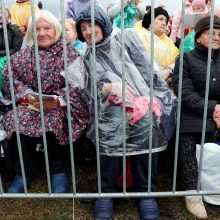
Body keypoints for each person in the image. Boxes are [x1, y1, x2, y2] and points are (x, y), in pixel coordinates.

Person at [76, 6, 176, 220]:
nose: (88, 32)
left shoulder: (124, 39)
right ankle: (107, 192)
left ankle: (146, 192)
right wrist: (106, 88)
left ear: (103, 23)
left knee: (147, 122)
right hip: (108, 108)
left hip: (140, 101)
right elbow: (87, 89)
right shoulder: (86, 55)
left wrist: (155, 96)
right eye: (83, 28)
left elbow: (146, 69)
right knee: (111, 124)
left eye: (92, 25)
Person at [2, 10, 88, 193]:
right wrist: (26, 96)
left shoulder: (69, 54)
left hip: (61, 106)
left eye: (47, 28)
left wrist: (58, 99)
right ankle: (25, 170)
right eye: (37, 29)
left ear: (55, 30)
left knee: (53, 118)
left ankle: (58, 170)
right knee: (17, 118)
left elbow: (78, 84)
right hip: (31, 104)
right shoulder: (25, 55)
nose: (42, 33)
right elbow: (10, 76)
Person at [173, 15, 220, 219]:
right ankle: (192, 192)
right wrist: (213, 108)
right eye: (212, 34)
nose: (217, 38)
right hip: (193, 111)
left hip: (219, 112)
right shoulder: (185, 58)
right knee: (188, 140)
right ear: (199, 36)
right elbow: (184, 92)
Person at [136, 7, 179, 85]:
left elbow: (176, 60)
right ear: (150, 21)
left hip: (163, 83)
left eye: (166, 21)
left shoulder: (168, 41)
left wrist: (169, 72)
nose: (164, 23)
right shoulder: (138, 35)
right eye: (160, 19)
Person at [0, 6, 23, 90]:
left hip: (11, 56)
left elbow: (17, 49)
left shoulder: (14, 30)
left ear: (8, 18)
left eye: (1, 18)